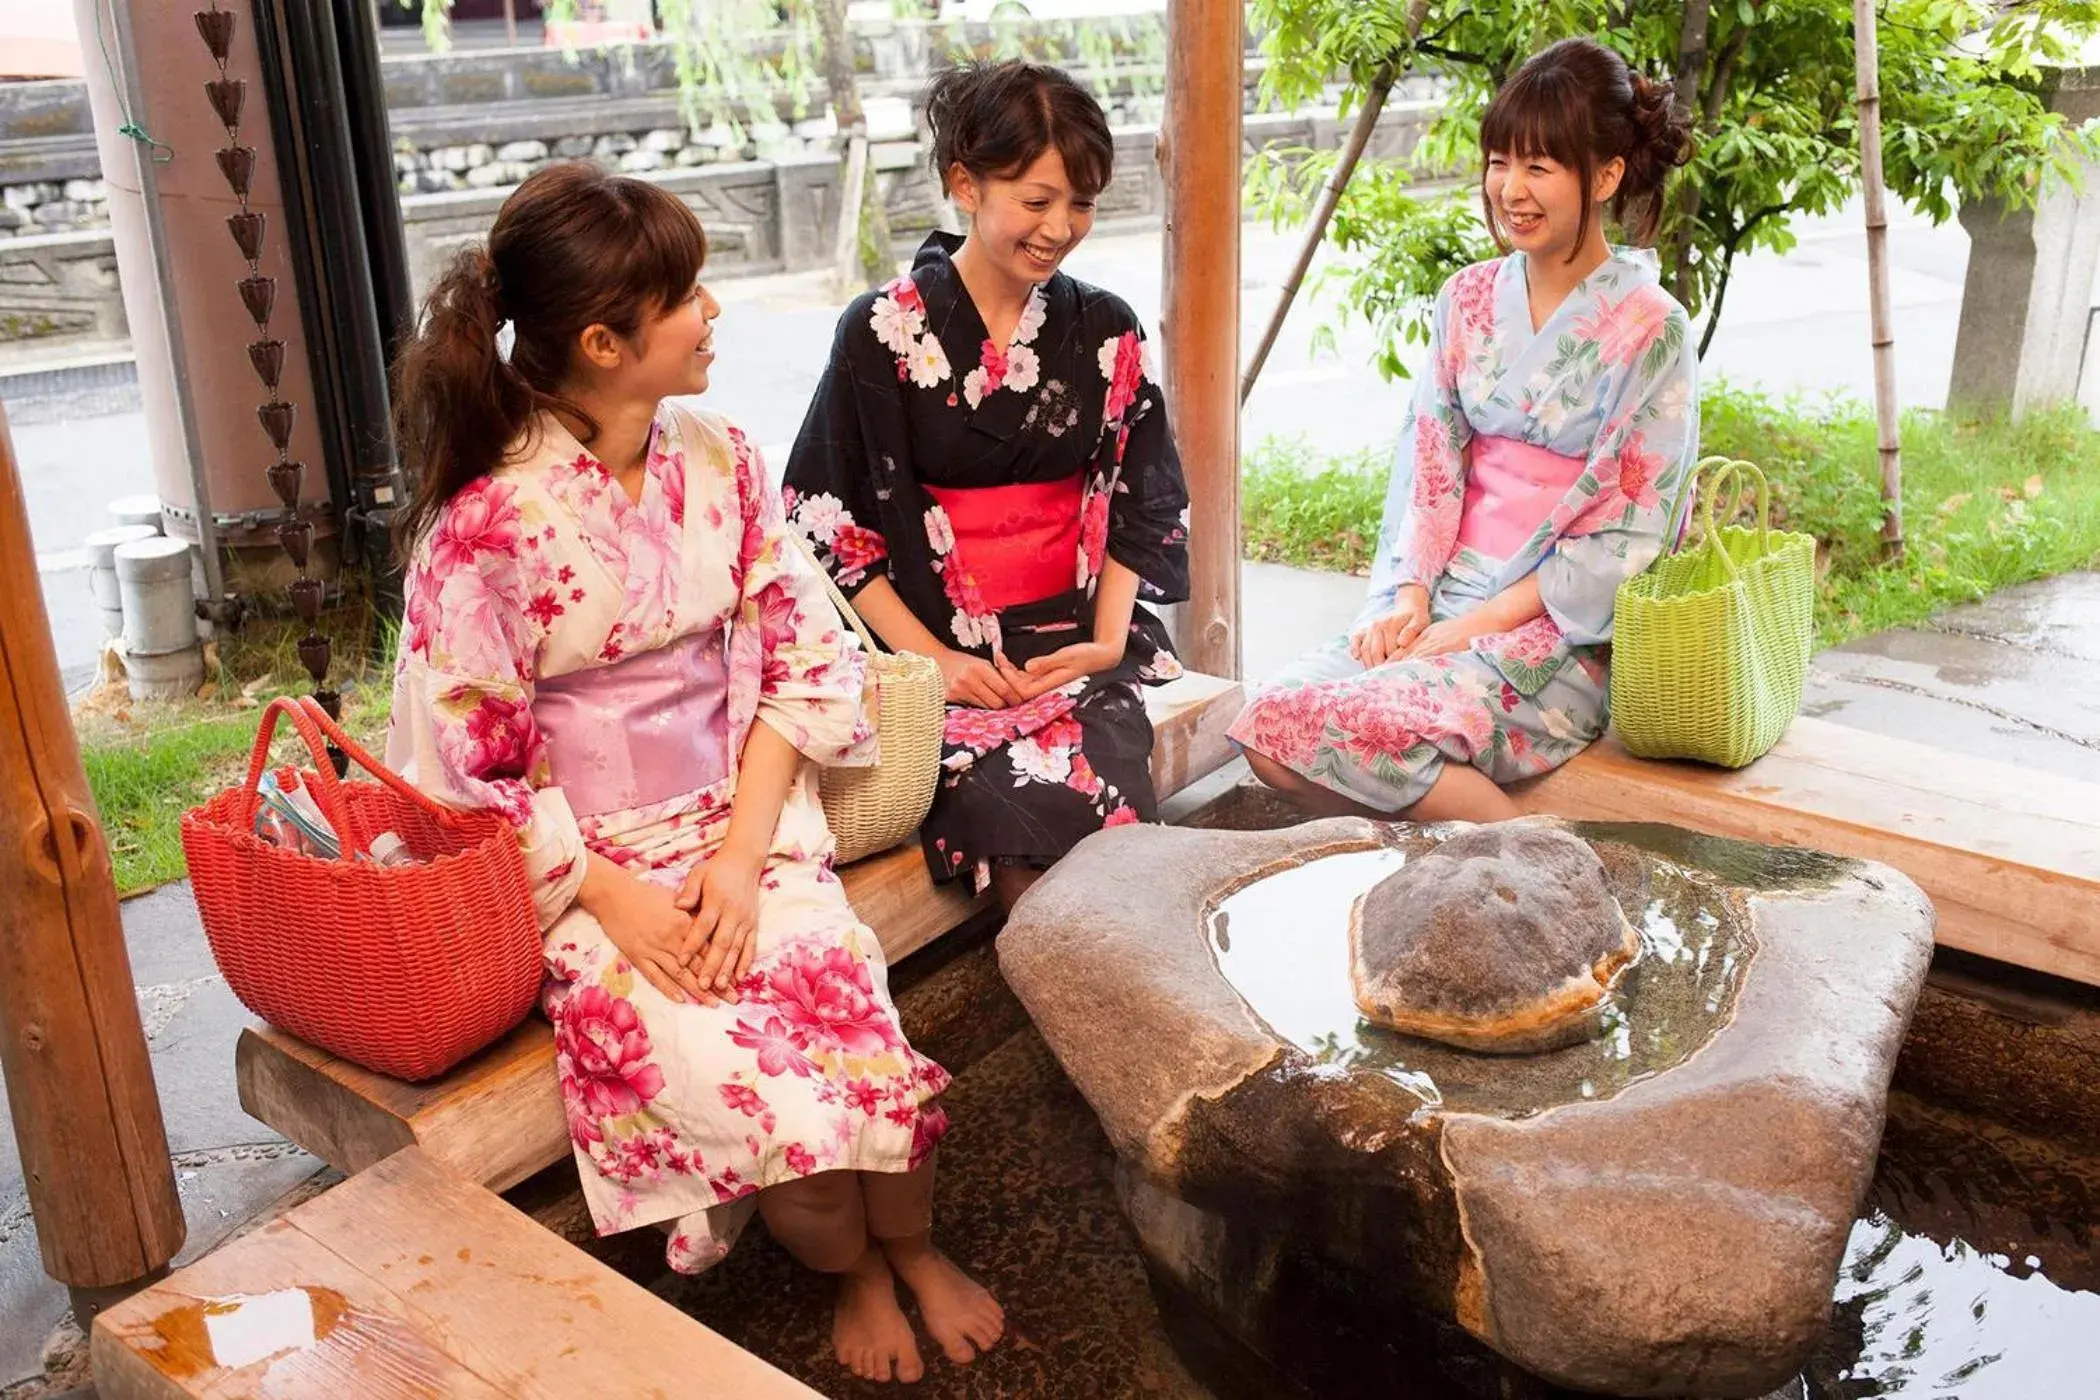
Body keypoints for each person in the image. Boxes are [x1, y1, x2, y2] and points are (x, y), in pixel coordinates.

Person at [384, 161, 1001, 1385]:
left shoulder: (720, 453)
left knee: (854, 1017)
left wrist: (740, 852)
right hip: (589, 870)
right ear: (606, 342)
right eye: (688, 295)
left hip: (746, 821)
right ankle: (855, 1268)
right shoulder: (485, 528)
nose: (712, 311)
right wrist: (615, 899)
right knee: (749, 1085)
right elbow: (472, 758)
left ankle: (914, 1244)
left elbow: (801, 653)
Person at [1231, 38, 1699, 821]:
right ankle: (1465, 854)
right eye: (1498, 162)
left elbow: (1626, 532)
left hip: (1551, 633)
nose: (1510, 189)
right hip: (1443, 595)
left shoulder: (1654, 328)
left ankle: (1540, 863)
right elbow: (1430, 461)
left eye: (1540, 168)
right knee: (1267, 723)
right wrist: (1411, 597)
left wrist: (1472, 629)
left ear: (1607, 175)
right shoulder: (1468, 298)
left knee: (1359, 726)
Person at [783, 60, 1191, 909]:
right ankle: (1088, 1009)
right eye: (1036, 201)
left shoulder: (1105, 326)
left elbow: (1144, 495)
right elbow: (826, 522)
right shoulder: (881, 331)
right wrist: (932, 663)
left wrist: (1109, 642)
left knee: (1107, 802)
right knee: (1009, 830)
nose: (1061, 227)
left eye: (1080, 203)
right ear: (964, 183)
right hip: (936, 651)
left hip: (1071, 643)